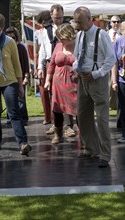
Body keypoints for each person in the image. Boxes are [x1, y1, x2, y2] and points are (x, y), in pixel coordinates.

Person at [0, 13, 32, 156]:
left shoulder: (10, 42)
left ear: (2, 28)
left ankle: (23, 143)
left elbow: (17, 65)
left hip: (9, 82)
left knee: (14, 112)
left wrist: (20, 85)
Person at [72, 6, 116, 168]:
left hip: (97, 80)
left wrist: (97, 74)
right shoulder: (80, 35)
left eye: (81, 22)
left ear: (90, 19)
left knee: (102, 118)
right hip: (83, 79)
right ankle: (91, 148)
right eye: (76, 22)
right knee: (83, 116)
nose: (78, 25)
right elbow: (77, 56)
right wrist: (76, 68)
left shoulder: (101, 34)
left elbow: (111, 59)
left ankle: (105, 154)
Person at [37, 5, 77, 138]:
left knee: (70, 100)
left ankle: (68, 126)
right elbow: (42, 49)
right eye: (56, 17)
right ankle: (56, 125)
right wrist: (39, 67)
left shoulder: (69, 28)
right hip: (52, 61)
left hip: (69, 65)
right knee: (54, 100)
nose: (58, 19)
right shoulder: (45, 30)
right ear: (51, 15)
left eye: (60, 17)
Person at [44, 24, 78, 144]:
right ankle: (58, 135)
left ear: (69, 36)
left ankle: (84, 137)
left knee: (78, 110)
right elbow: (52, 64)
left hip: (74, 84)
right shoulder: (58, 46)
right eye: (59, 38)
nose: (60, 41)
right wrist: (47, 80)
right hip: (58, 84)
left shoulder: (78, 46)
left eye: (62, 38)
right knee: (57, 109)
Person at [5, 27, 30, 125]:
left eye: (13, 37)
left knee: (21, 99)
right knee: (9, 99)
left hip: (20, 77)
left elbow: (26, 64)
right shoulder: (5, 48)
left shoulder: (21, 47)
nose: (11, 40)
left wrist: (26, 77)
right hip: (9, 78)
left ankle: (23, 119)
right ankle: (10, 118)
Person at [108, 15, 122, 110]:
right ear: (110, 23)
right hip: (108, 63)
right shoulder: (105, 34)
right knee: (109, 85)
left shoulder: (122, 35)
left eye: (118, 21)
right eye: (114, 21)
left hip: (120, 64)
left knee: (118, 85)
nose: (116, 23)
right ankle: (110, 104)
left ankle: (116, 104)